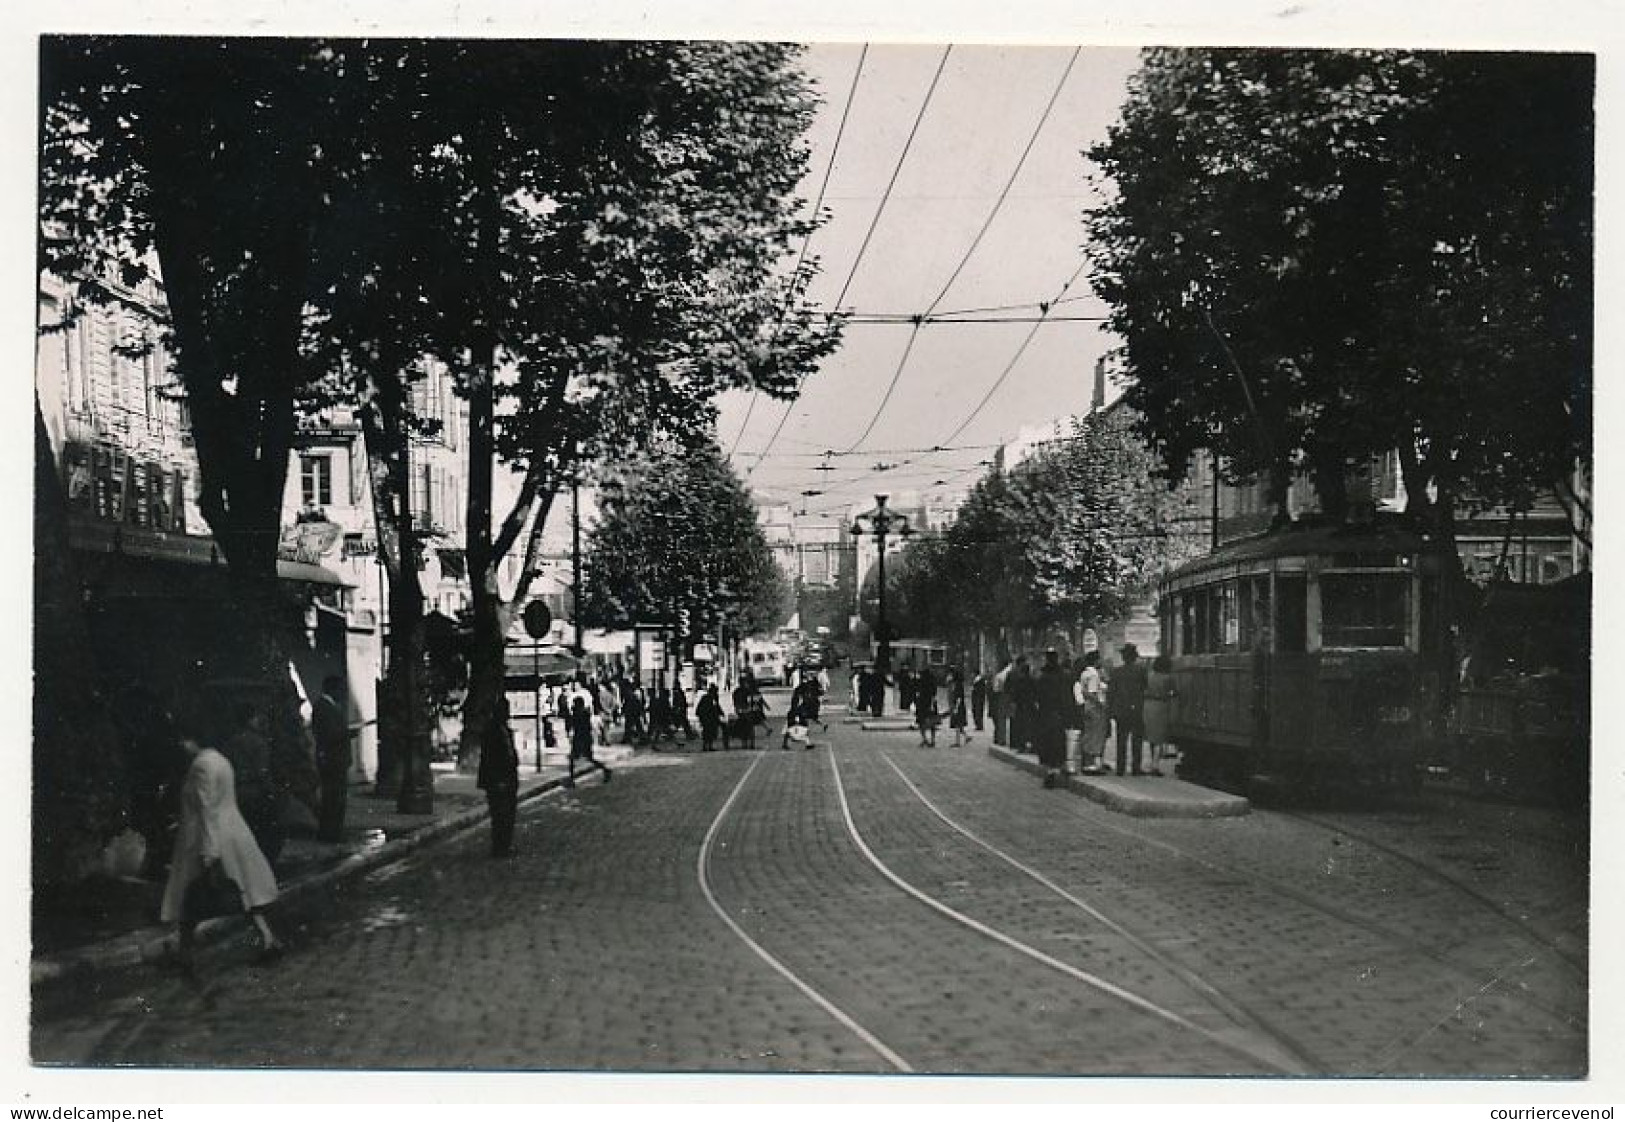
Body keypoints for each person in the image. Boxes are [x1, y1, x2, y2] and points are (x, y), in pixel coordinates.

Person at [161, 723, 285, 969]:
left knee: (191, 896)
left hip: (208, 837)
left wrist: (209, 850)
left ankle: (185, 952)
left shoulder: (201, 766)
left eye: (185, 740)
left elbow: (206, 809)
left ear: (193, 740)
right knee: (243, 894)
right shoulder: (220, 760)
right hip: (233, 831)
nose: (182, 747)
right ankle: (267, 938)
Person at [219, 703, 282, 864]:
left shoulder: (231, 742)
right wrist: (271, 792)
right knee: (263, 830)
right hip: (256, 792)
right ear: (250, 720)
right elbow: (262, 771)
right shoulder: (258, 742)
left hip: (237, 791)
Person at [311, 676, 352, 844]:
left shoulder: (330, 706)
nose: (343, 692)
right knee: (333, 798)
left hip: (336, 759)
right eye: (341, 688)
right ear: (332, 689)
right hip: (332, 759)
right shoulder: (324, 707)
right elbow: (328, 735)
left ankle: (333, 831)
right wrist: (348, 733)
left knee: (335, 797)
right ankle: (330, 833)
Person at [477, 699, 520, 858]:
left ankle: (506, 845)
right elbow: (489, 759)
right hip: (498, 780)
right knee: (499, 814)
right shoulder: (491, 731)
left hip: (509, 778)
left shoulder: (505, 730)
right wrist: (497, 780)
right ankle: (499, 847)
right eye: (505, 710)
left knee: (508, 814)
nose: (507, 713)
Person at [1034, 649, 1073, 787]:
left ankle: (1050, 772)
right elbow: (1067, 698)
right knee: (1059, 742)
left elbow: (1037, 698)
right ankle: (1060, 768)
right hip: (1059, 714)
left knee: (1047, 744)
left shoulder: (1041, 678)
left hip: (1045, 714)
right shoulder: (1064, 676)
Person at [1110, 643, 1150, 776]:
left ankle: (1120, 768)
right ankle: (1135, 767)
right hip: (1136, 708)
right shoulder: (1141, 671)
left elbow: (1111, 692)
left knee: (1121, 739)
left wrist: (1111, 710)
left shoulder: (1116, 672)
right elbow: (1145, 687)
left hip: (1121, 710)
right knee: (1136, 740)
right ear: (1134, 657)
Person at [566, 695, 613, 786]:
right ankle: (605, 770)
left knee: (573, 759)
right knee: (587, 758)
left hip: (580, 739)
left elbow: (576, 726)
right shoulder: (585, 713)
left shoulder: (579, 714)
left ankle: (571, 780)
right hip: (586, 738)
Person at [1144, 654, 1178, 777]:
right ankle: (1155, 766)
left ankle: (1152, 762)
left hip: (1147, 705)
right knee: (1159, 738)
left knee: (1151, 737)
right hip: (1161, 707)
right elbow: (1174, 692)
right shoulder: (1168, 678)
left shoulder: (1150, 676)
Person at [1075, 651, 1109, 774]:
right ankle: (1092, 765)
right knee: (1096, 735)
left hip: (1087, 707)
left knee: (1088, 734)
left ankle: (1085, 762)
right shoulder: (1094, 674)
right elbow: (1091, 692)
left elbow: (1084, 691)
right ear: (1096, 660)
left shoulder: (1084, 673)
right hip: (1095, 708)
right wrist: (1101, 704)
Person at [1006, 656, 1035, 754]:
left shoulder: (1012, 674)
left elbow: (1009, 690)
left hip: (1018, 705)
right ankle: (1029, 744)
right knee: (1028, 725)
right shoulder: (1032, 679)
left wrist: (1011, 701)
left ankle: (1016, 743)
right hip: (1029, 705)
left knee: (1016, 724)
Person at [914, 666, 939, 747]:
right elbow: (934, 694)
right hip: (931, 704)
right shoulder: (933, 682)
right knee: (932, 723)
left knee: (921, 722)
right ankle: (933, 740)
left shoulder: (921, 682)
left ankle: (925, 739)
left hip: (922, 704)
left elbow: (917, 692)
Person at [990, 658, 1012, 745]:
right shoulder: (1009, 671)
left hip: (1002, 696)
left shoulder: (1000, 675)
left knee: (1001, 719)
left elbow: (995, 689)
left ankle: (1001, 738)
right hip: (1010, 695)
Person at [696, 684, 725, 751]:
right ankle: (706, 746)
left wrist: (721, 713)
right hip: (707, 718)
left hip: (712, 718)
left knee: (712, 732)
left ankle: (709, 746)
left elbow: (717, 707)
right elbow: (702, 709)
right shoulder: (706, 698)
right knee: (707, 732)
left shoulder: (713, 698)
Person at [948, 669, 971, 747]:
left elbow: (959, 697)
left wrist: (956, 707)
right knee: (959, 725)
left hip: (959, 706)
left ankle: (957, 742)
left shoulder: (958, 685)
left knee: (957, 724)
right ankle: (966, 736)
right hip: (959, 706)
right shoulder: (957, 684)